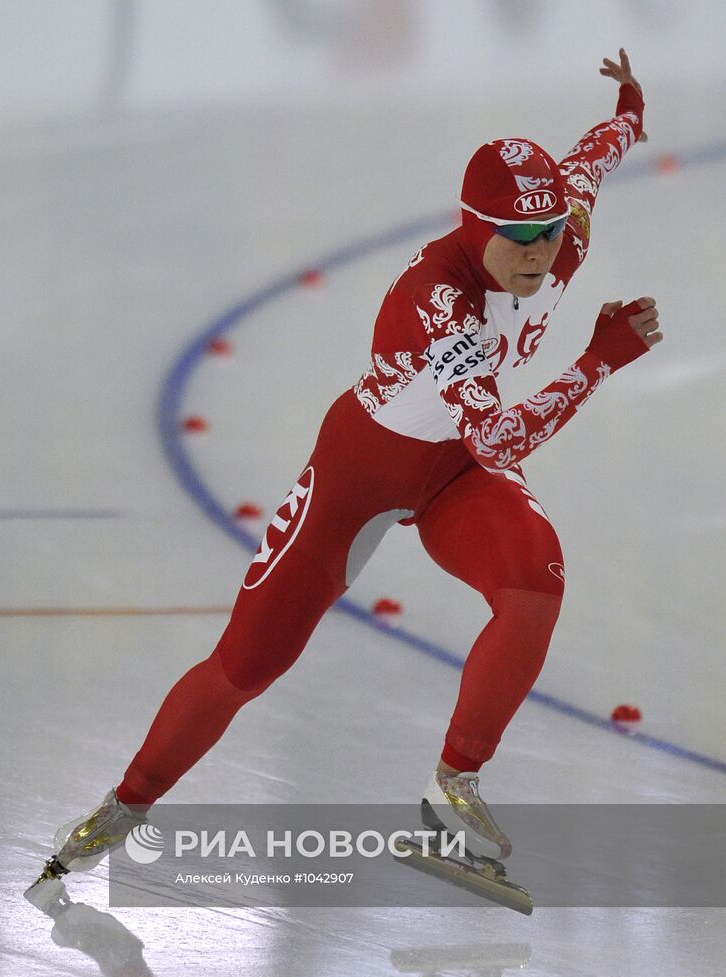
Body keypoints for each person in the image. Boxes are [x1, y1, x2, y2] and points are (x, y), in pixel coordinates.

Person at [32, 50, 663, 884]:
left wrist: (629, 105)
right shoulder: (442, 302)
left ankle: (453, 787)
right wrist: (598, 362)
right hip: (362, 469)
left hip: (451, 474)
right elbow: (500, 441)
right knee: (247, 664)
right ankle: (125, 804)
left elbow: (592, 162)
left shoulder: (560, 230)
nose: (539, 254)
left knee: (534, 584)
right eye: (516, 238)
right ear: (475, 227)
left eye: (548, 234)